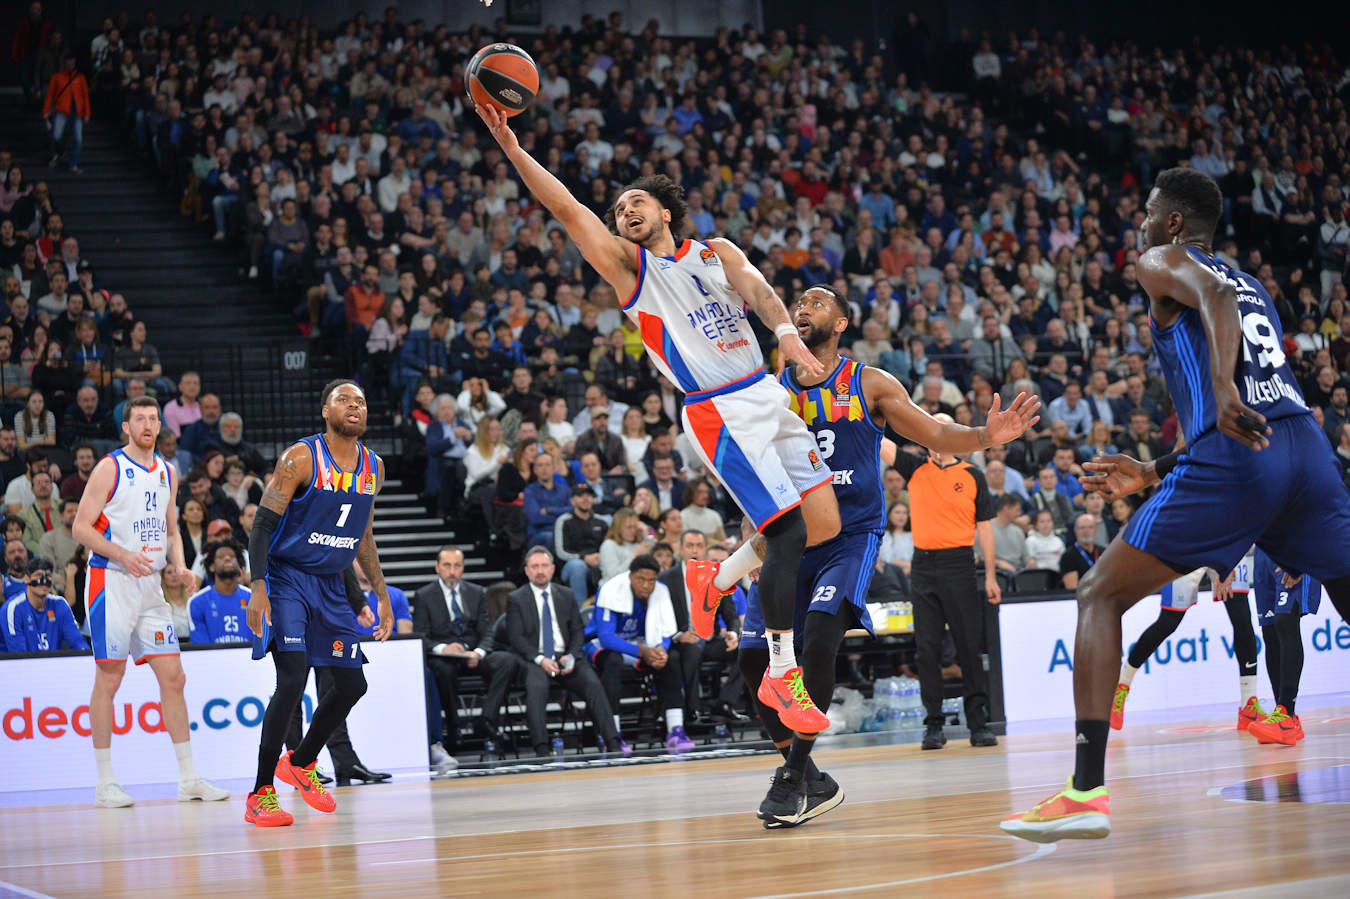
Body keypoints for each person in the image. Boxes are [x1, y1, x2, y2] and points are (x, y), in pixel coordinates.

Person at [1003, 168, 1350, 843]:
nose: (1139, 224)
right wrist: (1153, 469)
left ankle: (1084, 791)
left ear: (1171, 223)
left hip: (1236, 455)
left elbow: (1215, 326)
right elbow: (1255, 380)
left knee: (1099, 593)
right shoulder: (1253, 284)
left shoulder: (1162, 260)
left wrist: (1219, 389)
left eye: (1147, 212)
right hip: (1303, 448)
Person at [476, 103, 838, 736]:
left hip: (765, 394)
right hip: (718, 409)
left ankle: (714, 577)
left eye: (636, 202)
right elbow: (568, 210)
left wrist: (784, 331)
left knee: (824, 524)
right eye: (619, 209)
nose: (625, 212)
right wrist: (511, 146)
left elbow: (759, 291)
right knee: (785, 534)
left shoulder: (716, 251)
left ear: (666, 210)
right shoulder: (632, 270)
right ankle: (784, 672)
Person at [744, 284, 1039, 825]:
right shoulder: (770, 389)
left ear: (840, 324)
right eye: (798, 303)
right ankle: (809, 775)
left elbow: (934, 433)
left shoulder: (869, 382)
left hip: (850, 537)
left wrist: (985, 435)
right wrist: (751, 537)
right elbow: (756, 472)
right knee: (751, 659)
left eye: (816, 302)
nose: (803, 308)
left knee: (821, 638)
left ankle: (792, 778)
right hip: (789, 537)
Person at [244, 380, 393, 828]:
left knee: (352, 685)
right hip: (288, 577)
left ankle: (302, 761)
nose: (354, 406)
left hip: (331, 583)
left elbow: (363, 536)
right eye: (344, 400)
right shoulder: (301, 458)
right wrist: (257, 585)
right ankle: (261, 793)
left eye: (361, 401)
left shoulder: (374, 467)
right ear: (325, 411)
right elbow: (262, 526)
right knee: (292, 679)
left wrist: (381, 594)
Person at [72, 395, 228, 808]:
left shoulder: (168, 471)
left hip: (151, 588)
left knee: (174, 678)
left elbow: (172, 529)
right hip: (111, 581)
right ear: (126, 426)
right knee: (109, 678)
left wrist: (181, 566)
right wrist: (122, 554)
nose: (146, 424)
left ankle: (189, 778)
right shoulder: (109, 467)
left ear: (160, 426)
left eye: (153, 418)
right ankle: (105, 782)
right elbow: (80, 528)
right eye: (139, 418)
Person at [1110, 553, 1262, 731]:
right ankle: (1122, 685)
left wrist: (1227, 562)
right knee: (1168, 621)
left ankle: (1248, 704)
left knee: (1242, 616)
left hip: (1227, 547)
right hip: (1189, 546)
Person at [506, 546, 627, 757]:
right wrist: (540, 659)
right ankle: (542, 749)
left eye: (544, 566)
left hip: (566, 657)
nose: (540, 571)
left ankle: (613, 742)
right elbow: (516, 638)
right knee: (536, 686)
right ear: (526, 570)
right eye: (535, 566)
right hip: (535, 660)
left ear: (552, 569)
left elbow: (578, 631)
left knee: (592, 683)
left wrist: (571, 655)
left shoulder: (566, 594)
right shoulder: (516, 598)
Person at [411, 547, 484, 772]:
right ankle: (453, 729)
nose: (452, 571)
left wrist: (477, 652)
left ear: (463, 568)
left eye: (457, 566)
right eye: (447, 565)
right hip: (442, 656)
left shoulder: (477, 592)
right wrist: (444, 649)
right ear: (437, 568)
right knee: (442, 670)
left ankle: (487, 724)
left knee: (504, 663)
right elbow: (421, 635)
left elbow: (487, 631)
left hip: (471, 653)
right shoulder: (424, 595)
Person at [1246, 549, 1320, 745]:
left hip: (1292, 550)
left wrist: (1299, 556)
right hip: (1263, 552)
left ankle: (1286, 713)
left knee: (1285, 622)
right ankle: (1284, 718)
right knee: (1270, 633)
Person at [2, 557, 86, 652]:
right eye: (38, 575)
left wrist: (84, 654)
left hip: (52, 660)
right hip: (21, 660)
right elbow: (18, 653)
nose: (44, 581)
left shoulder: (60, 604)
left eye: (48, 575)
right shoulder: (13, 608)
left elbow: (77, 641)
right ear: (26, 579)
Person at [187, 541, 253, 644]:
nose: (227, 558)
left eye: (232, 556)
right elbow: (201, 649)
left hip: (249, 654)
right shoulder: (196, 602)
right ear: (212, 566)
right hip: (211, 655)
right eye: (221, 557)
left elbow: (260, 642)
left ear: (239, 565)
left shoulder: (253, 597)